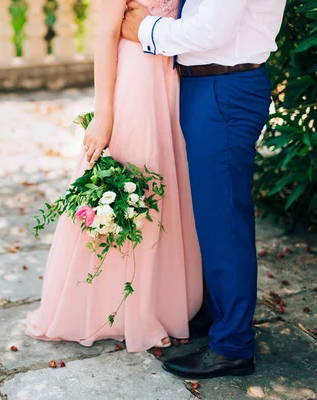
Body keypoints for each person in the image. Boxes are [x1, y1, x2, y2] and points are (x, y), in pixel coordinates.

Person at [25, 0, 204, 353]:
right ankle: (126, 312)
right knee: (138, 183)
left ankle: (162, 303)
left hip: (174, 78)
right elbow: (105, 34)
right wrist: (104, 112)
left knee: (167, 186)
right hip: (136, 80)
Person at [121, 0, 286, 379]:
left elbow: (209, 31)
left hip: (224, 90)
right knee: (209, 217)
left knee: (223, 221)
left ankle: (233, 346)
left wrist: (144, 28)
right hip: (207, 87)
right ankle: (219, 315)